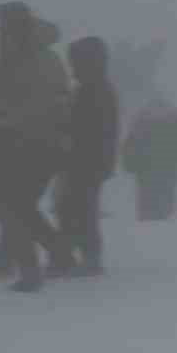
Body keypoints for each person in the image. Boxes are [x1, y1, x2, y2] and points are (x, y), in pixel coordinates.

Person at [0, 3, 72, 292]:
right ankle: (52, 258)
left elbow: (36, 102)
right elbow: (5, 90)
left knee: (11, 205)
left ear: (16, 26)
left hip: (31, 143)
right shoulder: (21, 55)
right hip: (25, 141)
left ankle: (28, 270)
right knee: (19, 206)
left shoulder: (33, 58)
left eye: (2, 25)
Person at [54, 36, 119, 277]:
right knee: (76, 209)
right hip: (89, 160)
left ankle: (86, 259)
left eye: (75, 61)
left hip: (87, 160)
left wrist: (65, 123)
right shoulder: (94, 87)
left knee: (79, 210)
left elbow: (89, 128)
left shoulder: (95, 89)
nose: (72, 67)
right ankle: (76, 257)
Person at [121, 98, 177, 221]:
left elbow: (129, 149)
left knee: (148, 210)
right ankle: (164, 228)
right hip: (168, 175)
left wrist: (132, 166)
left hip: (146, 176)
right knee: (166, 210)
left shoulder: (141, 122)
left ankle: (149, 230)